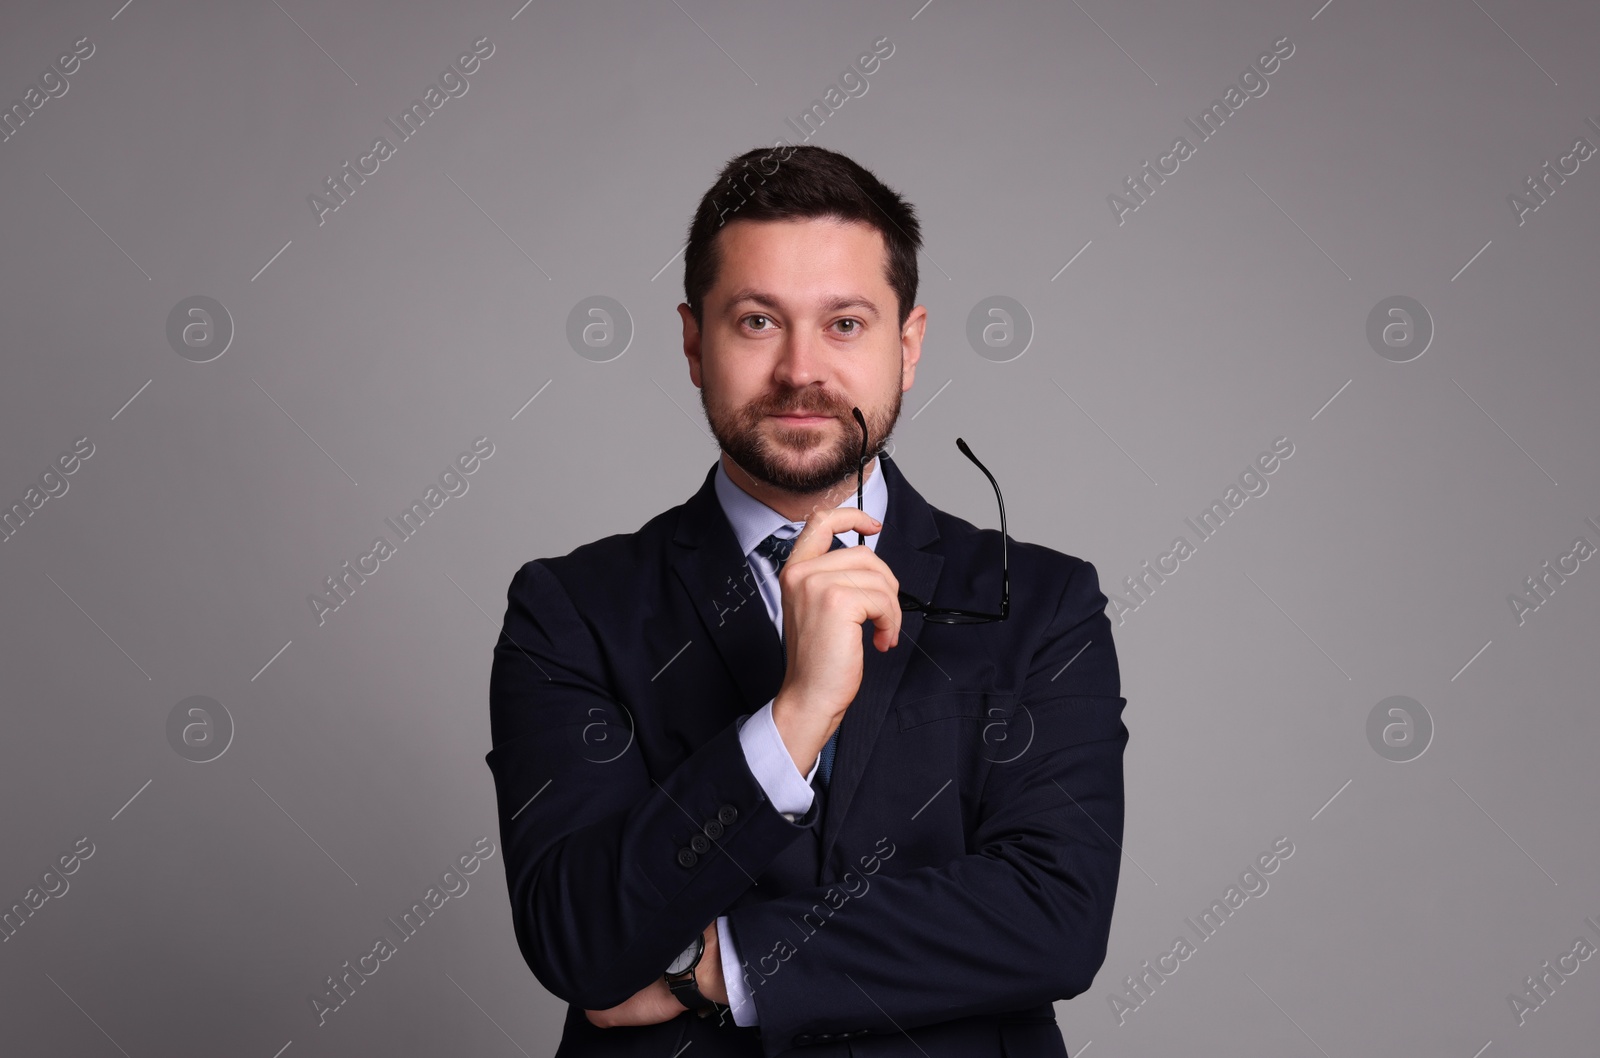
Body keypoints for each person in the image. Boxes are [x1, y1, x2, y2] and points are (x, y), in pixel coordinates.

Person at [485, 144, 1127, 1057]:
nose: (799, 371)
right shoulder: (570, 609)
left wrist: (717, 966)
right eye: (756, 321)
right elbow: (578, 937)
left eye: (845, 324)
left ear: (907, 348)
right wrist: (794, 717)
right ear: (692, 342)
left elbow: (1053, 916)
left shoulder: (1046, 604)